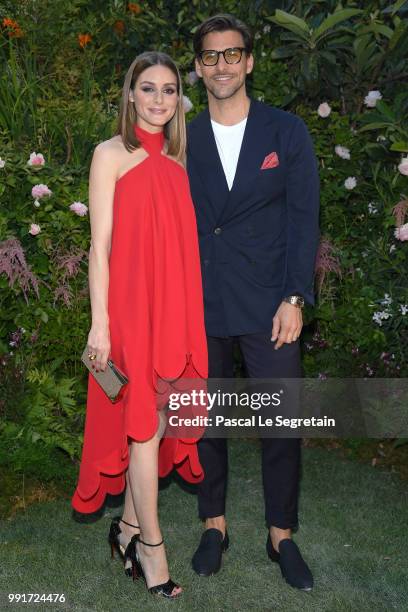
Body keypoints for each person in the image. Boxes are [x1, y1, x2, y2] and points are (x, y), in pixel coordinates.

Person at [186, 14, 320, 591]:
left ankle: (281, 535)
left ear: (250, 61)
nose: (222, 65)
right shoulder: (181, 135)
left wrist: (295, 295)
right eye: (211, 56)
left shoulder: (286, 132)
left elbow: (302, 219)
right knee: (206, 423)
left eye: (232, 54)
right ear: (198, 67)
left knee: (280, 423)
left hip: (271, 304)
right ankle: (213, 525)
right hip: (199, 301)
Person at [71, 51, 208, 599]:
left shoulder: (178, 160)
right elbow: (98, 246)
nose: (158, 100)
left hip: (174, 306)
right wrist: (99, 324)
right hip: (128, 311)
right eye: (147, 89)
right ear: (129, 94)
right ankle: (153, 548)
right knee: (144, 428)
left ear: (179, 99)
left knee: (156, 420)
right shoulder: (110, 154)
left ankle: (126, 529)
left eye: (169, 90)